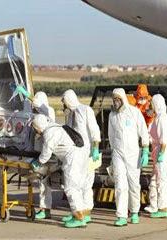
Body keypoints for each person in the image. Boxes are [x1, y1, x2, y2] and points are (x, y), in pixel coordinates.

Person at [31, 114, 89, 228]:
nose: (36, 131)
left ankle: (79, 218)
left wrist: (38, 162)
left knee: (71, 188)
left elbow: (46, 154)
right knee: (77, 187)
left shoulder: (49, 133)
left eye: (35, 128)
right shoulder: (56, 127)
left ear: (39, 126)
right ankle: (79, 213)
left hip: (73, 158)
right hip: (81, 155)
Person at [108, 88, 150, 226]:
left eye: (118, 98)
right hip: (118, 153)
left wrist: (145, 149)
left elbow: (143, 130)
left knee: (134, 184)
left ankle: (134, 212)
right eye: (114, 99)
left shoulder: (134, 112)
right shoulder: (112, 115)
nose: (116, 101)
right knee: (120, 185)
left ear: (123, 99)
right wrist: (113, 152)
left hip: (133, 154)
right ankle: (121, 215)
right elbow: (111, 135)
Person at [61, 89, 101, 224]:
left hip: (88, 152)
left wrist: (95, 148)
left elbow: (94, 129)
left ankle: (86, 212)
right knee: (77, 182)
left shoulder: (85, 110)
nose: (63, 104)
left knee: (86, 183)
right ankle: (79, 211)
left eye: (64, 101)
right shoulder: (71, 114)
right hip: (76, 153)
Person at [31, 91, 56, 220]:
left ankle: (45, 209)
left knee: (44, 184)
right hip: (40, 153)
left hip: (46, 155)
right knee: (42, 183)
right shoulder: (37, 113)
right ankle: (44, 208)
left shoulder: (48, 112)